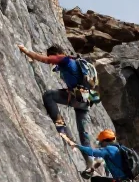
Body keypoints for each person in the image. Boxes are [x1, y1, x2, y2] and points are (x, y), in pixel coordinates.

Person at [18, 44, 99, 175]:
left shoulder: (64, 59)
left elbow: (43, 59)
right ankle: (90, 164)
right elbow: (53, 66)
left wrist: (25, 50)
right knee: (83, 134)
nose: (51, 60)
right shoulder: (72, 61)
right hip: (85, 99)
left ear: (55, 54)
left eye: (52, 57)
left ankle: (60, 126)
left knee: (49, 95)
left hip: (75, 97)